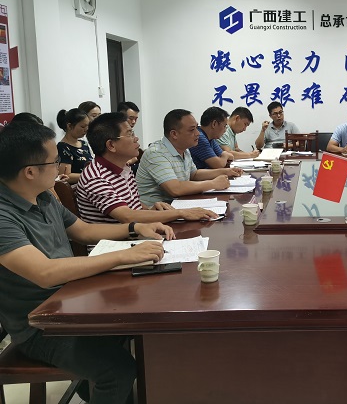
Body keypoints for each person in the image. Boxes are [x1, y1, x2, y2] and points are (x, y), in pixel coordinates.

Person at [0, 121, 173, 404]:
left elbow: (83, 230)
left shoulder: (43, 196)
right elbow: (44, 272)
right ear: (30, 172)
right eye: (54, 161)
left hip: (71, 300)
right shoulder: (4, 216)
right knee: (117, 370)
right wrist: (123, 255)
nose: (60, 168)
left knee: (139, 330)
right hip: (39, 325)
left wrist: (135, 229)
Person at [77, 112, 219, 223]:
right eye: (130, 134)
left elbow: (133, 206)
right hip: (115, 245)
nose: (136, 138)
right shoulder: (96, 177)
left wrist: (151, 209)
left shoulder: (124, 168)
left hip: (136, 234)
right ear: (111, 145)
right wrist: (180, 213)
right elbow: (127, 216)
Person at [136, 109, 240, 206]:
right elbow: (175, 189)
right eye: (192, 130)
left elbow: (194, 174)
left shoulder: (184, 149)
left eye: (196, 128)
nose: (197, 133)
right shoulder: (156, 153)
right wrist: (213, 184)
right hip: (156, 212)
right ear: (174, 134)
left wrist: (226, 171)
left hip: (178, 205)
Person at [56, 108, 93, 184]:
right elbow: (65, 176)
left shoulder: (84, 144)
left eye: (87, 126)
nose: (86, 129)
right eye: (83, 126)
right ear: (69, 126)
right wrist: (90, 176)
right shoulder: (63, 147)